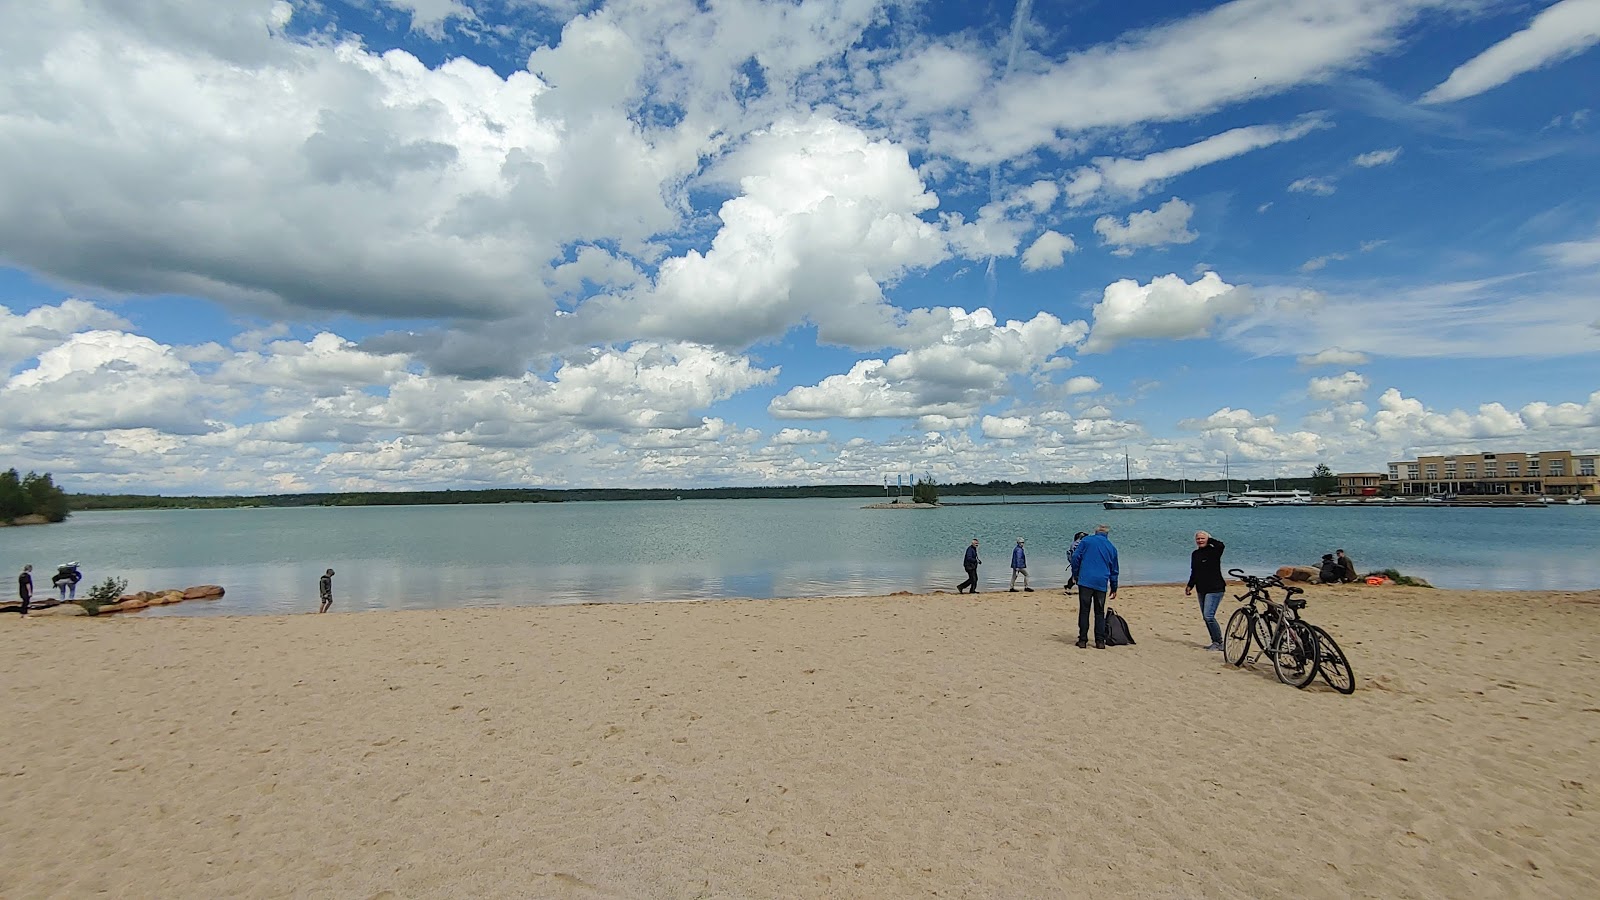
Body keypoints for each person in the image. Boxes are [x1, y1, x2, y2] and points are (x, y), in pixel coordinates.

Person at [1069, 525, 1118, 649]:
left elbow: (1075, 557)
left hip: (1086, 580)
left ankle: (1083, 640)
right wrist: (1114, 586)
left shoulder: (1086, 541)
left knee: (1084, 610)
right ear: (1107, 534)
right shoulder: (1111, 547)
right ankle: (1100, 641)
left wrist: (1075, 574)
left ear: (1095, 532)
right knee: (1099, 612)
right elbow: (1114, 569)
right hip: (1101, 582)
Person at [1184, 531, 1226, 651]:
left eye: (1202, 538)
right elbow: (1194, 571)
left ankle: (1219, 642)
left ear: (1208, 539)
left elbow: (1221, 545)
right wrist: (1190, 585)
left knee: (1209, 616)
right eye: (1198, 539)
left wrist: (1210, 539)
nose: (1200, 541)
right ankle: (1215, 641)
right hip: (1201, 588)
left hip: (1215, 589)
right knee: (1205, 616)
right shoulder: (1195, 554)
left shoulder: (1214, 551)